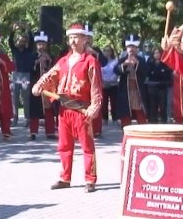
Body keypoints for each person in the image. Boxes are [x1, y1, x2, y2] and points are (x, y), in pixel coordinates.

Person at [32, 23, 103, 193]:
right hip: (64, 109)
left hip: (82, 109)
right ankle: (65, 178)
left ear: (84, 39)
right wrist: (38, 85)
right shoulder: (63, 61)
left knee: (87, 146)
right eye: (70, 37)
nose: (72, 41)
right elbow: (50, 75)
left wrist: (95, 105)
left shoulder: (90, 61)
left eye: (76, 37)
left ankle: (90, 179)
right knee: (64, 145)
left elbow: (96, 86)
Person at [27, 32, 56, 140]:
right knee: (34, 109)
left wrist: (49, 60)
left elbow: (55, 68)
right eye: (39, 44)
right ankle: (33, 132)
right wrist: (36, 62)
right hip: (35, 86)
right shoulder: (32, 56)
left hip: (48, 86)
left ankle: (50, 132)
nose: (41, 46)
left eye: (43, 44)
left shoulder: (51, 56)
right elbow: (28, 68)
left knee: (49, 109)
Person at [114, 34, 149, 126]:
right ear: (126, 48)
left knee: (140, 111)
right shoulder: (122, 60)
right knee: (125, 113)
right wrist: (124, 65)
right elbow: (115, 71)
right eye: (129, 47)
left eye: (133, 47)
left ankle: (143, 132)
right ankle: (126, 133)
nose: (131, 49)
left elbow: (146, 72)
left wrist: (137, 64)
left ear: (137, 48)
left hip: (138, 91)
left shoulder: (141, 60)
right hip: (125, 91)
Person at [8, 29, 35, 126]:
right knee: (14, 98)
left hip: (25, 76)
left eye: (24, 41)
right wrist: (13, 30)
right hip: (16, 75)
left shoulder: (29, 50)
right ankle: (15, 119)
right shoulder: (14, 50)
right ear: (17, 42)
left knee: (26, 98)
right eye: (20, 41)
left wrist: (29, 30)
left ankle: (27, 118)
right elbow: (10, 41)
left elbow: (31, 40)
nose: (22, 42)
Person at [146, 47, 173, 124]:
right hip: (152, 88)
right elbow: (147, 75)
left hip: (162, 88)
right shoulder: (149, 64)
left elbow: (168, 77)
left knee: (163, 105)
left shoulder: (165, 64)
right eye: (155, 53)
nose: (157, 54)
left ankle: (164, 121)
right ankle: (153, 121)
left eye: (158, 53)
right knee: (153, 106)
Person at [99, 46, 118, 125]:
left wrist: (111, 80)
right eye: (105, 50)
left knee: (114, 102)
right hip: (104, 84)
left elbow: (116, 73)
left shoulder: (115, 62)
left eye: (108, 51)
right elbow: (99, 73)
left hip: (113, 84)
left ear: (111, 52)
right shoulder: (100, 62)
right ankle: (105, 119)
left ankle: (115, 119)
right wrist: (103, 82)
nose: (106, 52)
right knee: (104, 103)